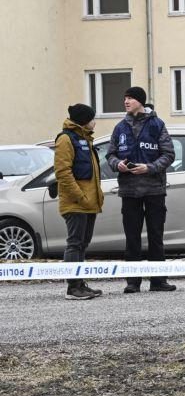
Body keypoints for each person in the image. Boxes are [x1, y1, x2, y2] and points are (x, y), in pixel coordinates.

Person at [106, 86, 176, 293]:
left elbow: (169, 154)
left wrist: (150, 167)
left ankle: (158, 280)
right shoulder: (120, 127)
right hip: (129, 190)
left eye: (130, 98)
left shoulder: (157, 125)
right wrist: (117, 164)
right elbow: (110, 155)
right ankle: (132, 282)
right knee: (132, 236)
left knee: (156, 235)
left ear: (140, 102)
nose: (126, 101)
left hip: (154, 189)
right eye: (125, 98)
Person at [54, 104, 105, 300]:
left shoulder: (85, 138)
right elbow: (63, 173)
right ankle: (73, 287)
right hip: (76, 203)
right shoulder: (66, 139)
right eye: (92, 118)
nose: (95, 122)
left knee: (83, 244)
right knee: (75, 244)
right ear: (84, 120)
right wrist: (80, 197)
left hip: (89, 203)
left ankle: (80, 282)